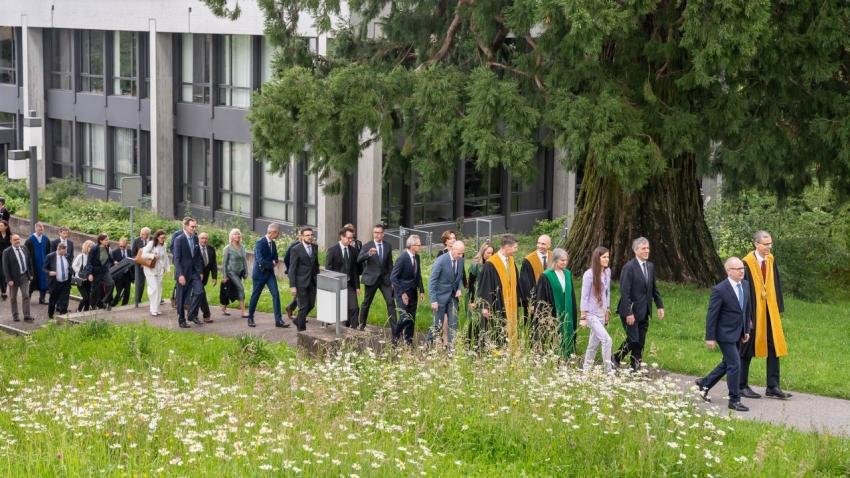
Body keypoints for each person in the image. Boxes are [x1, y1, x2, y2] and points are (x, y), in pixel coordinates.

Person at [738, 231, 792, 400]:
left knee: (774, 346)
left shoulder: (770, 260)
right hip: (754, 312)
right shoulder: (746, 263)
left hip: (769, 311)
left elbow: (775, 283)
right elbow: (743, 292)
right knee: (747, 347)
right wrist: (747, 317)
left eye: (770, 243)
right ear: (756, 244)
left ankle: (773, 386)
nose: (769, 247)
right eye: (765, 244)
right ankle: (741, 385)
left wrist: (777, 310)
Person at [695, 257, 753, 412]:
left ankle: (705, 383)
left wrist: (746, 329)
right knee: (735, 364)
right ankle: (734, 399)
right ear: (729, 271)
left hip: (739, 331)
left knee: (727, 363)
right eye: (738, 269)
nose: (742, 271)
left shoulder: (745, 285)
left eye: (743, 268)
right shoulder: (720, 289)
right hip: (724, 333)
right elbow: (712, 315)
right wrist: (710, 337)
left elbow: (746, 309)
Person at [613, 237, 665, 371]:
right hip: (630, 311)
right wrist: (629, 313)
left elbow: (653, 288)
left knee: (640, 341)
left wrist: (659, 305)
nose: (647, 251)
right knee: (633, 339)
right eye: (643, 248)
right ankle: (616, 357)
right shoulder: (629, 268)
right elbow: (625, 292)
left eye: (648, 248)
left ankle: (635, 368)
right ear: (635, 250)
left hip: (644, 310)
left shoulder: (650, 266)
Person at [475, 235, 521, 348]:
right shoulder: (491, 264)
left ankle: (510, 351)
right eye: (515, 247)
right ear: (507, 247)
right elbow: (485, 286)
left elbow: (515, 282)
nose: (517, 250)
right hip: (498, 304)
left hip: (510, 303)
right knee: (498, 330)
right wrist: (485, 306)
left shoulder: (511, 260)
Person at [532, 248, 578, 358]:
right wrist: (540, 314)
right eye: (562, 260)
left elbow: (571, 293)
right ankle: (553, 355)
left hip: (566, 308)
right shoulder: (547, 276)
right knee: (554, 332)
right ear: (555, 260)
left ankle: (567, 354)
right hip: (553, 310)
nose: (564, 262)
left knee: (567, 329)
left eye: (566, 260)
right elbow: (540, 296)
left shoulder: (567, 274)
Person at [244, 223, 288, 328]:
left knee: (276, 294)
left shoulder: (273, 244)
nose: (278, 235)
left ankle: (278, 320)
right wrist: (271, 263)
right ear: (273, 232)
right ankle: (250, 317)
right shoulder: (260, 243)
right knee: (255, 296)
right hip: (259, 275)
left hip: (269, 275)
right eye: (278, 233)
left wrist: (272, 262)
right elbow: (260, 260)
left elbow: (276, 258)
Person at [357, 224, 396, 331]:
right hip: (371, 279)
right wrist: (368, 254)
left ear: (383, 234)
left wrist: (392, 280)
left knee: (391, 302)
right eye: (374, 232)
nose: (376, 235)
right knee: (366, 302)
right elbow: (359, 259)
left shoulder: (388, 246)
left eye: (378, 233)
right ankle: (362, 325)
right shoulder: (367, 246)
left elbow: (389, 264)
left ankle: (395, 329)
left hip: (385, 279)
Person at [579, 247, 613, 371]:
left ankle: (586, 369)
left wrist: (607, 310)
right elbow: (584, 296)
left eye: (608, 257)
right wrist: (583, 316)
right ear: (597, 258)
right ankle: (608, 371)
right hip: (591, 313)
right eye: (604, 257)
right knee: (607, 340)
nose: (607, 259)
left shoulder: (607, 272)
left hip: (602, 312)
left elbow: (607, 292)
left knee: (593, 343)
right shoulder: (589, 274)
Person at [427, 240, 466, 348]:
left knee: (454, 324)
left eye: (462, 253)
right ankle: (427, 346)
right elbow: (432, 281)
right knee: (437, 325)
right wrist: (433, 300)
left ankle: (451, 351)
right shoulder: (441, 261)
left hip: (453, 297)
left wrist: (459, 289)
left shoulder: (461, 260)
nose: (461, 255)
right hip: (439, 298)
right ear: (452, 249)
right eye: (459, 253)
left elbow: (460, 278)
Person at [390, 234, 425, 345]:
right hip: (403, 293)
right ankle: (395, 340)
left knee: (411, 318)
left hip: (413, 292)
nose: (421, 247)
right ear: (411, 246)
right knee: (404, 317)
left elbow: (417, 275)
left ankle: (408, 341)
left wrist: (421, 290)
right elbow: (393, 277)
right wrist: (402, 293)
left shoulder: (417, 258)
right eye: (419, 245)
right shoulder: (402, 259)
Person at [325, 226, 361, 327]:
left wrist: (357, 286)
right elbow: (328, 269)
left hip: (349, 284)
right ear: (342, 237)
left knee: (354, 307)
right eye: (348, 238)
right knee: (339, 309)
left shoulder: (353, 251)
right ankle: (340, 328)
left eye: (352, 238)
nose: (350, 240)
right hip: (337, 284)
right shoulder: (332, 250)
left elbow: (354, 270)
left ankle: (353, 332)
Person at [173, 217, 204, 328]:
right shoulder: (179, 239)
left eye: (195, 226)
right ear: (185, 227)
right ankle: (181, 320)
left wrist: (200, 271)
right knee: (181, 298)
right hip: (183, 273)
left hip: (194, 272)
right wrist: (180, 275)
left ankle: (192, 314)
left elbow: (198, 257)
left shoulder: (196, 239)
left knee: (199, 292)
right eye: (192, 226)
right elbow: (176, 259)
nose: (194, 228)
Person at [288, 226, 319, 331]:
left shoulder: (315, 247)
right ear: (301, 237)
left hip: (312, 282)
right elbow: (292, 269)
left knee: (311, 305)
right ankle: (302, 331)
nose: (310, 237)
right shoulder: (296, 249)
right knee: (304, 306)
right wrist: (292, 286)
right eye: (307, 235)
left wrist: (317, 278)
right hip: (301, 282)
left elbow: (316, 265)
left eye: (311, 235)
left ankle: (297, 320)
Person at [520, 234, 552, 323]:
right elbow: (525, 284)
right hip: (535, 300)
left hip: (550, 298)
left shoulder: (553, 257)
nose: (540, 246)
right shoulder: (528, 260)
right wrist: (531, 303)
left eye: (543, 244)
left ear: (549, 245)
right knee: (534, 328)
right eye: (538, 243)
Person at [2, 234, 34, 322]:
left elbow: (29, 261)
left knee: (26, 295)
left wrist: (31, 273)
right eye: (15, 240)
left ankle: (27, 315)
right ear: (11, 241)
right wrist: (9, 279)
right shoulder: (7, 252)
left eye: (18, 239)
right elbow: (5, 267)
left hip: (24, 276)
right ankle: (15, 315)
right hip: (13, 278)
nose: (17, 241)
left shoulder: (24, 248)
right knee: (13, 297)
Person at [140, 229, 170, 316]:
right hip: (150, 268)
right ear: (157, 237)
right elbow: (143, 255)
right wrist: (153, 255)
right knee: (154, 288)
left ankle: (156, 308)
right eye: (161, 238)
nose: (163, 239)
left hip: (160, 268)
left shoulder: (164, 245)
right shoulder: (151, 244)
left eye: (164, 238)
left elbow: (166, 257)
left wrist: (168, 269)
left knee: (159, 289)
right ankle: (153, 308)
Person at [42, 242, 74, 319]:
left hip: (65, 282)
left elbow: (69, 266)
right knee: (53, 300)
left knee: (65, 300)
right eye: (62, 252)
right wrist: (49, 272)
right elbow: (43, 268)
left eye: (65, 251)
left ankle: (62, 316)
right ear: (58, 249)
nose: (64, 253)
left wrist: (71, 272)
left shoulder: (67, 256)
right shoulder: (51, 256)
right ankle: (51, 315)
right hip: (55, 282)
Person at [221, 228, 248, 318]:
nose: (237, 236)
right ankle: (243, 311)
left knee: (231, 290)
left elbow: (244, 260)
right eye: (235, 234)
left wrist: (246, 271)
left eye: (238, 234)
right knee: (240, 288)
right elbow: (224, 263)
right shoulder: (227, 248)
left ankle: (224, 307)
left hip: (239, 271)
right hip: (230, 271)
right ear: (231, 237)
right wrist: (224, 275)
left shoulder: (243, 247)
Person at [86, 232, 116, 312]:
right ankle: (92, 305)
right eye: (106, 240)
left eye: (108, 239)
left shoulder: (106, 247)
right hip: (96, 271)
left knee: (111, 283)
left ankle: (105, 301)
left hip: (105, 270)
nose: (108, 241)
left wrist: (113, 261)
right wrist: (90, 274)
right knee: (95, 289)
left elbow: (108, 256)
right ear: (100, 241)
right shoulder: (94, 249)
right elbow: (89, 262)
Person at [25, 222, 51, 305]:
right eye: (39, 230)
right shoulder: (30, 240)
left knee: (44, 281)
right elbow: (26, 253)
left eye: (42, 230)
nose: (40, 231)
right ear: (35, 229)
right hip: (34, 265)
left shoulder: (46, 239)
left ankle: (42, 298)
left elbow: (48, 252)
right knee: (32, 281)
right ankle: (28, 297)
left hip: (44, 264)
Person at [197, 232, 218, 323]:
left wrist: (214, 277)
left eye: (206, 238)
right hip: (196, 276)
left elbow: (213, 264)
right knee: (201, 294)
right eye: (202, 238)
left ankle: (180, 301)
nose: (204, 240)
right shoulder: (195, 249)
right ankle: (207, 314)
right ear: (198, 239)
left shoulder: (211, 249)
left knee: (196, 295)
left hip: (205, 277)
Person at [282, 235, 302, 321]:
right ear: (300, 236)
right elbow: (286, 259)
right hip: (294, 273)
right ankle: (301, 316)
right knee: (301, 293)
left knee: (300, 293)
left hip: (303, 274)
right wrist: (289, 269)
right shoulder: (294, 246)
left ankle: (290, 307)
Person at [109, 237, 133, 307]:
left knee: (127, 292)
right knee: (119, 292)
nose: (122, 248)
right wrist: (114, 263)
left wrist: (133, 277)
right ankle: (112, 304)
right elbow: (110, 264)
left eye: (124, 246)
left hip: (127, 275)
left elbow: (132, 264)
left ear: (127, 245)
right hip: (118, 276)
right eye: (121, 246)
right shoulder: (115, 252)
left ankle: (124, 305)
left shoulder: (129, 252)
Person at [73, 240, 95, 312]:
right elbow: (74, 265)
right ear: (86, 247)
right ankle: (79, 309)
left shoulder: (92, 257)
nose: (91, 249)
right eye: (90, 247)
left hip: (88, 279)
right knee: (85, 297)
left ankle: (86, 311)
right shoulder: (81, 256)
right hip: (80, 279)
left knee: (88, 297)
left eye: (92, 247)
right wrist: (80, 272)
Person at [132, 227, 151, 305]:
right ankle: (138, 300)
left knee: (153, 283)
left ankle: (156, 299)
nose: (141, 235)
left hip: (151, 266)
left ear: (148, 235)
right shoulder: (136, 241)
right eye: (140, 233)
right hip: (140, 267)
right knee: (140, 284)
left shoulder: (153, 240)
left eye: (143, 234)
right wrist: (142, 262)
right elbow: (133, 254)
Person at [0, 220, 11, 301]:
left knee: (5, 274)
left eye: (1, 226)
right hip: (0, 256)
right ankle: (3, 292)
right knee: (2, 274)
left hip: (7, 257)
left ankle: (4, 291)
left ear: (6, 227)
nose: (0, 227)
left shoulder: (10, 236)